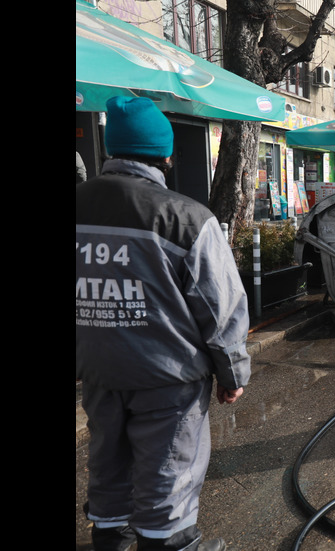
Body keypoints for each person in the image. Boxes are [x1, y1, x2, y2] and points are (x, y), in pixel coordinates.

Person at [76, 96, 251, 551]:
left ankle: (110, 540)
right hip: (167, 381)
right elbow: (221, 307)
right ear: (165, 156)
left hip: (98, 372)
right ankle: (171, 543)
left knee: (108, 463)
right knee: (167, 474)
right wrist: (232, 373)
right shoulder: (186, 218)